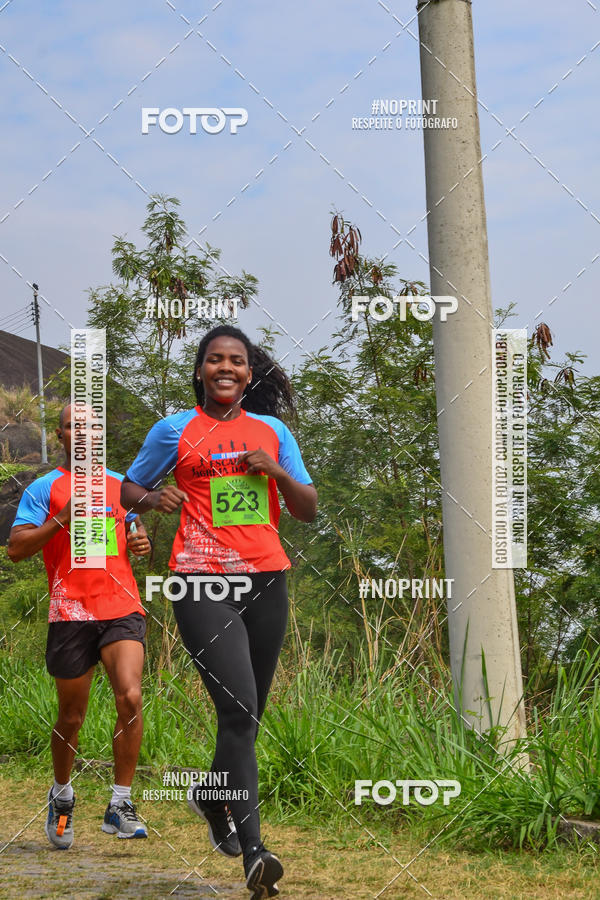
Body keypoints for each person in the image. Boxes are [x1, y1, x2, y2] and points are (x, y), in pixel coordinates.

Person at [121, 324, 317, 898]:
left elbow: (307, 509)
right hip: (200, 582)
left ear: (249, 373)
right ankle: (255, 852)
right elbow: (128, 488)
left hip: (266, 579)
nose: (225, 367)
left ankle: (212, 795)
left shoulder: (273, 432)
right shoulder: (174, 429)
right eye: (214, 359)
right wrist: (154, 498)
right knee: (238, 708)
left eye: (235, 360)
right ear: (201, 370)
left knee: (247, 718)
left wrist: (277, 472)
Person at [7, 404, 151, 849]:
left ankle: (120, 802)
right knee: (71, 717)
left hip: (121, 606)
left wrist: (140, 541)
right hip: (70, 611)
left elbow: (135, 531)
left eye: (92, 427)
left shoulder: (121, 486)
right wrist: (61, 518)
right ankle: (62, 793)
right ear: (61, 435)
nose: (84, 434)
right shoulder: (44, 488)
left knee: (130, 696)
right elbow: (16, 549)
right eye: (74, 426)